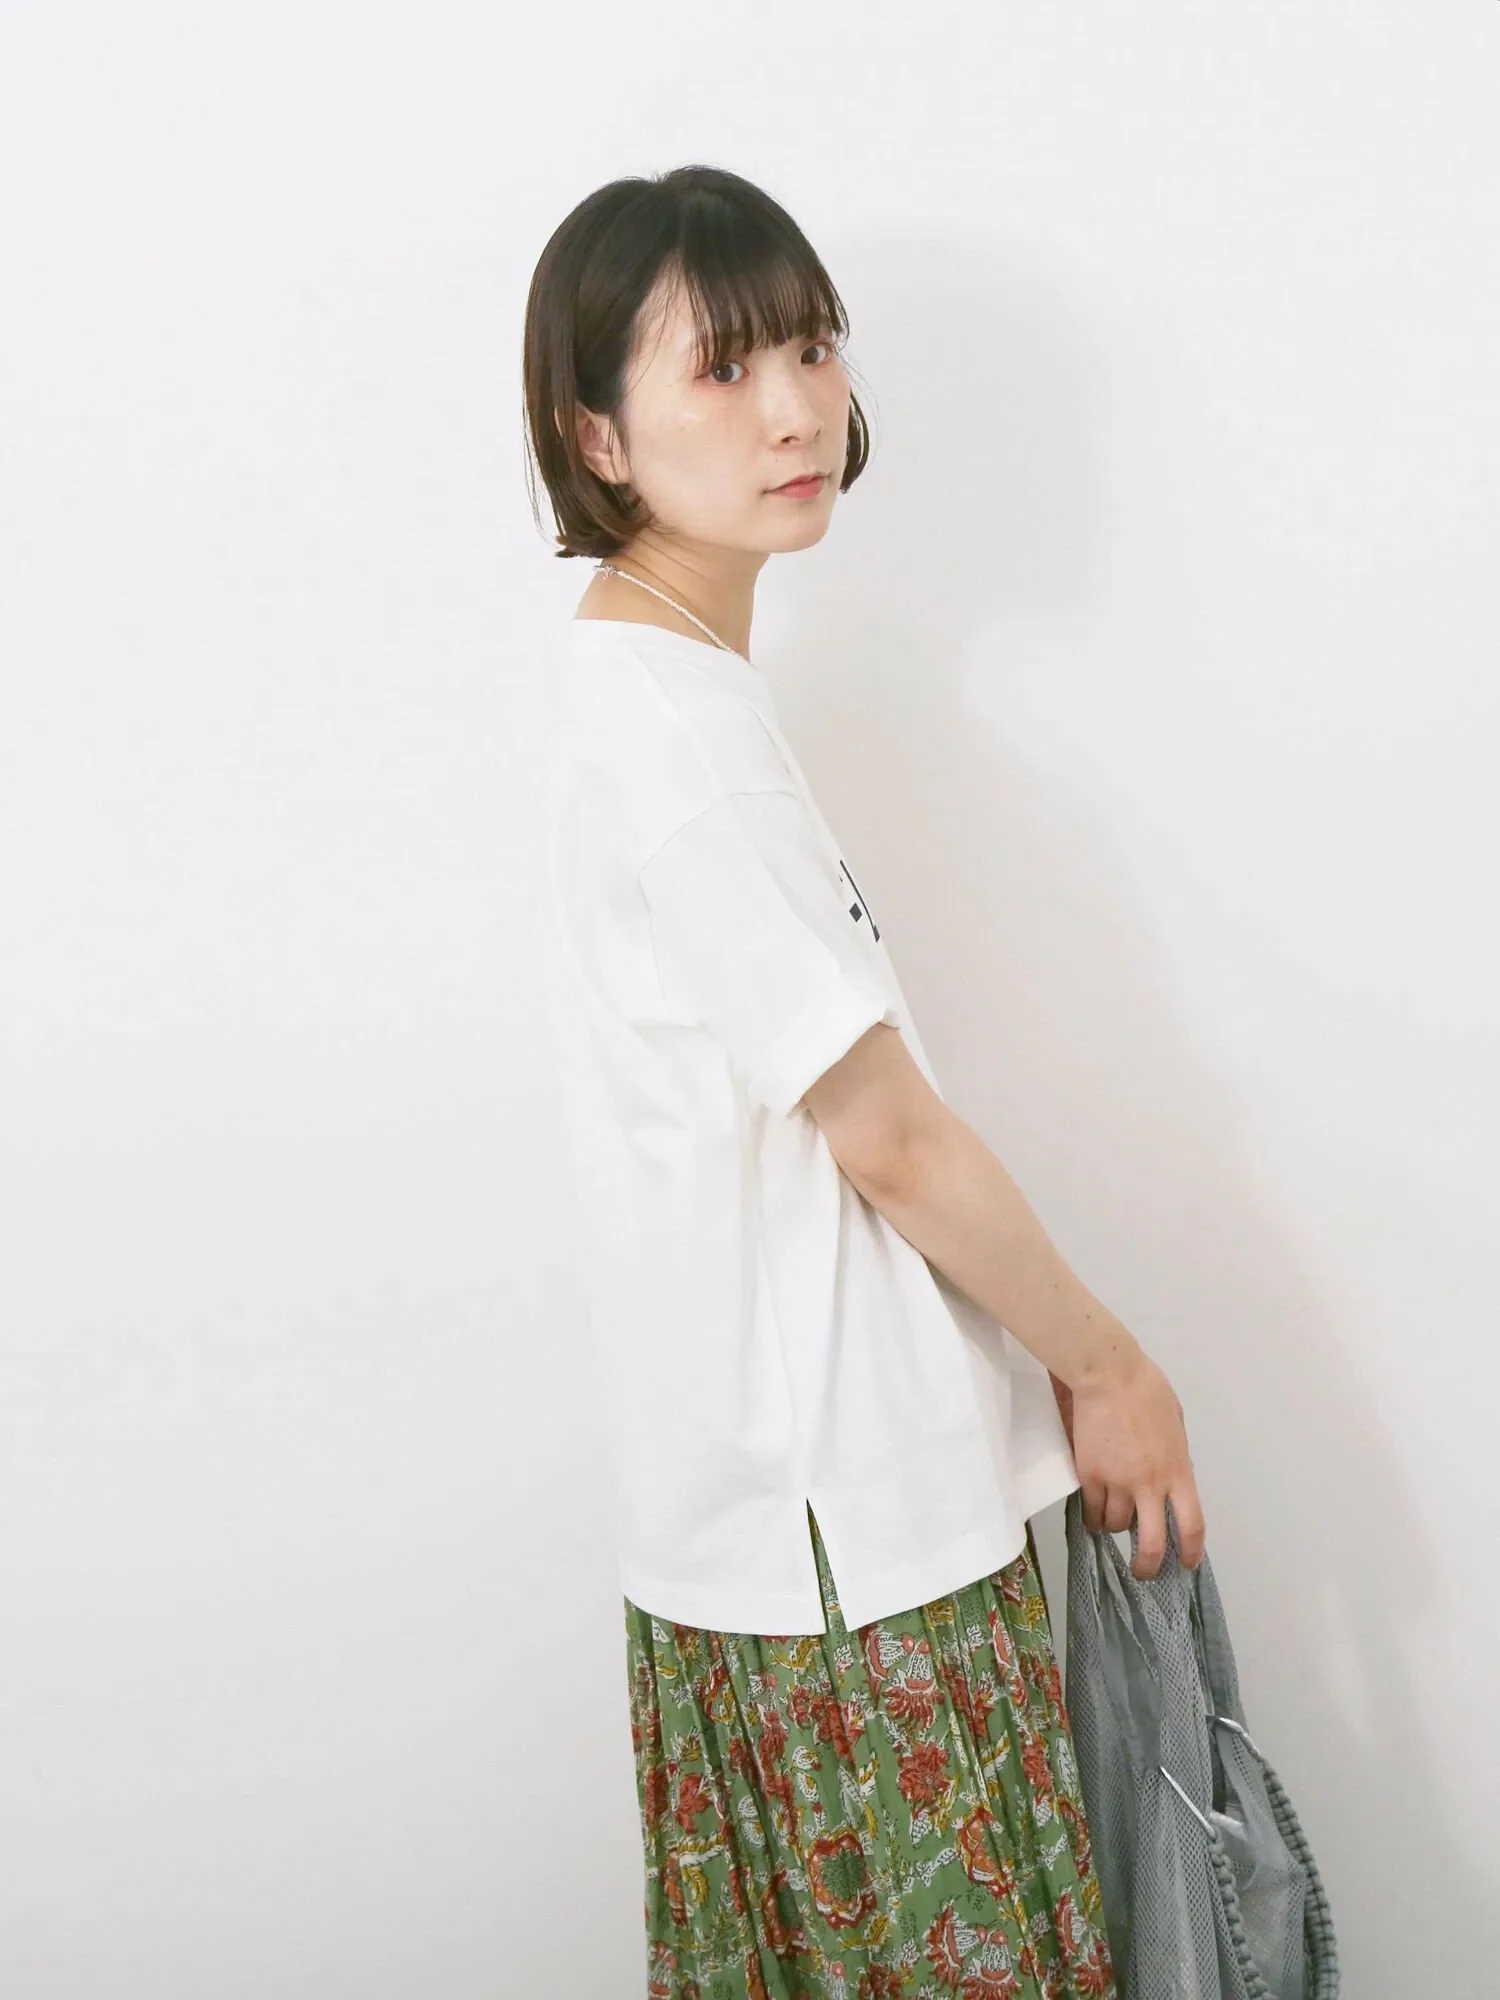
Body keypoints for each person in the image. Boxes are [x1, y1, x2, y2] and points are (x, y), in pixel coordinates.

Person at [523, 163, 1205, 2000]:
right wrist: (1108, 1370)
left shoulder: (658, 693)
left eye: (811, 347)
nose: (796, 407)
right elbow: (886, 1135)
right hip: (850, 1555)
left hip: (770, 1527)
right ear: (596, 435)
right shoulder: (684, 747)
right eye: (724, 368)